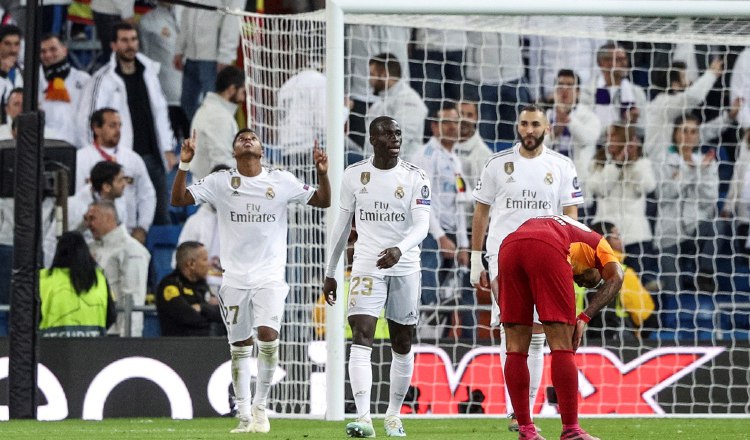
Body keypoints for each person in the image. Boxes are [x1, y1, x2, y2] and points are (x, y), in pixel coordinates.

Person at [171, 128, 330, 434]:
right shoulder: (220, 182)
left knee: (268, 337)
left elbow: (323, 200)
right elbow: (178, 199)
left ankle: (261, 405)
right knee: (240, 348)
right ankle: (244, 414)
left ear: (261, 150)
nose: (247, 139)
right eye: (241, 138)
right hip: (234, 280)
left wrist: (322, 173)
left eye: (252, 138)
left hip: (269, 277)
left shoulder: (281, 181)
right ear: (234, 152)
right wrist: (184, 165)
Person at [470, 105, 583, 431]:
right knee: (514, 330)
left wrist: (572, 259)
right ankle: (516, 413)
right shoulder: (497, 164)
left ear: (546, 127)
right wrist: (477, 258)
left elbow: (570, 215)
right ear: (517, 127)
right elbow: (481, 212)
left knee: (538, 337)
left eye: (535, 124)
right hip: (505, 258)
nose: (529, 129)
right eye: (524, 124)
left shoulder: (561, 166)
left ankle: (523, 413)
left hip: (547, 259)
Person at [322, 116, 430, 438]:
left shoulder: (415, 177)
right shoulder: (354, 176)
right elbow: (341, 227)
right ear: (373, 138)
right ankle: (364, 418)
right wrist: (331, 272)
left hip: (405, 265)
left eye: (398, 132)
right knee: (362, 334)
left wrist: (399, 248)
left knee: (402, 341)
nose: (395, 138)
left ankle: (394, 416)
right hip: (368, 265)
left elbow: (421, 225)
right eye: (387, 133)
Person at [498, 214, 623, 440]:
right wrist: (584, 317)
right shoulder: (599, 244)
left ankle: (526, 431)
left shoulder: (565, 229)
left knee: (515, 346)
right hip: (547, 247)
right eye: (588, 279)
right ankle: (571, 430)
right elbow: (617, 277)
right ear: (597, 267)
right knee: (562, 345)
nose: (579, 281)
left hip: (509, 246)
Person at [78, 22, 175, 226]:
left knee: (160, 218)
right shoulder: (102, 80)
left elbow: (160, 112)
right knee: (124, 219)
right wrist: (100, 158)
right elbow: (88, 121)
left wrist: (167, 147)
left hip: (153, 157)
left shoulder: (148, 72)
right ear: (113, 45)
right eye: (124, 40)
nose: (130, 45)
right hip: (119, 159)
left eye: (133, 40)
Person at [75, 108, 156, 243]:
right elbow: (77, 198)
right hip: (91, 237)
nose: (118, 130)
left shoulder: (133, 159)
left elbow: (147, 195)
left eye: (119, 125)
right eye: (112, 125)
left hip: (127, 234)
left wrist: (142, 227)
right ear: (96, 128)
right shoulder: (81, 159)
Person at [173, 0, 245, 121]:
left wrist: (225, 54)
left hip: (213, 58)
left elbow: (233, 18)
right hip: (191, 55)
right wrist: (179, 48)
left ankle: (218, 136)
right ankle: (201, 135)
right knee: (187, 103)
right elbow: (187, 11)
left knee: (216, 107)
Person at [87, 200, 151, 337]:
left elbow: (133, 298)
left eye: (92, 218)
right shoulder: (91, 247)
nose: (88, 225)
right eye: (87, 219)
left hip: (117, 334)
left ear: (108, 218)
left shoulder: (131, 250)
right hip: (94, 331)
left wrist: (128, 340)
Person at [39, 231, 116, 337]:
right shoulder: (99, 278)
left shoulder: (44, 278)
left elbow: (28, 316)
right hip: (94, 347)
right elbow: (111, 316)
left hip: (51, 347)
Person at [365, 52, 428, 158]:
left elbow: (399, 140)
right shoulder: (377, 105)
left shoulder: (409, 100)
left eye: (372, 74)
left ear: (384, 75)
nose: (369, 80)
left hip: (403, 168)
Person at [156, 241, 223, 337]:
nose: (209, 264)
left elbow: (222, 314)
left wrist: (201, 308)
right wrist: (210, 313)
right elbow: (188, 317)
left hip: (206, 345)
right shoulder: (170, 285)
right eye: (204, 260)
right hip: (177, 347)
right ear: (191, 264)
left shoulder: (201, 285)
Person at [189, 65, 244, 181]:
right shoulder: (218, 117)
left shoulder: (212, 110)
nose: (244, 98)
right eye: (243, 91)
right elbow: (222, 164)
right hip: (215, 190)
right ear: (231, 90)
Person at [38, 33, 91, 148]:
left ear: (64, 50)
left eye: (53, 49)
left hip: (77, 146)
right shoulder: (34, 80)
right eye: (43, 51)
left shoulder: (83, 79)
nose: (48, 55)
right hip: (45, 147)